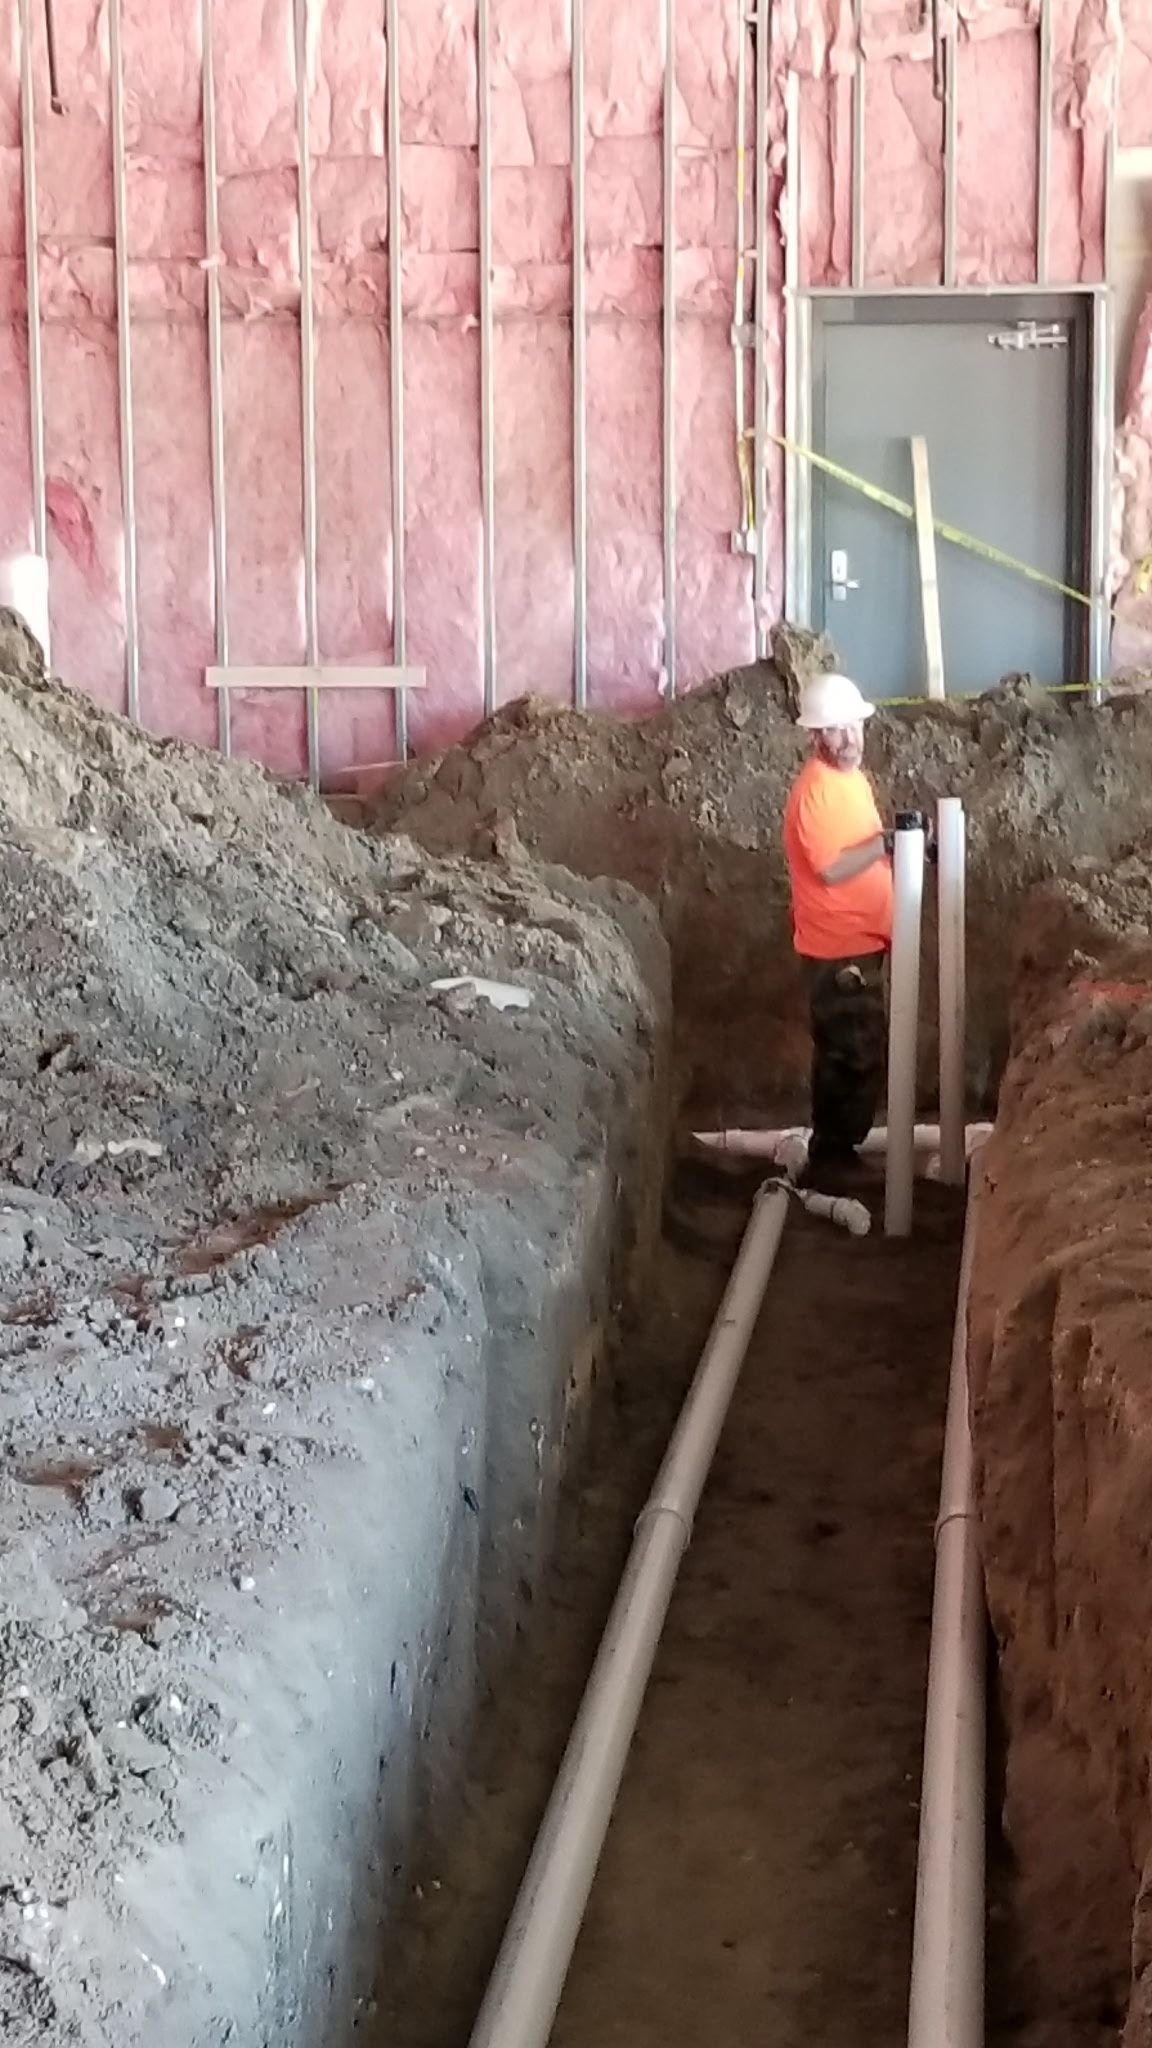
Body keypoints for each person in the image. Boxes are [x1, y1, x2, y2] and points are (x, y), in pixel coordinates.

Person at [782, 673, 893, 1178]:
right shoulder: (815, 792)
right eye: (836, 731)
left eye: (853, 726)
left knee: (855, 1046)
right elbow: (832, 868)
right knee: (850, 1051)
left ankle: (839, 1148)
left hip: (860, 939)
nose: (849, 739)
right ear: (815, 737)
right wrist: (888, 844)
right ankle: (834, 1156)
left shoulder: (850, 778)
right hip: (837, 947)